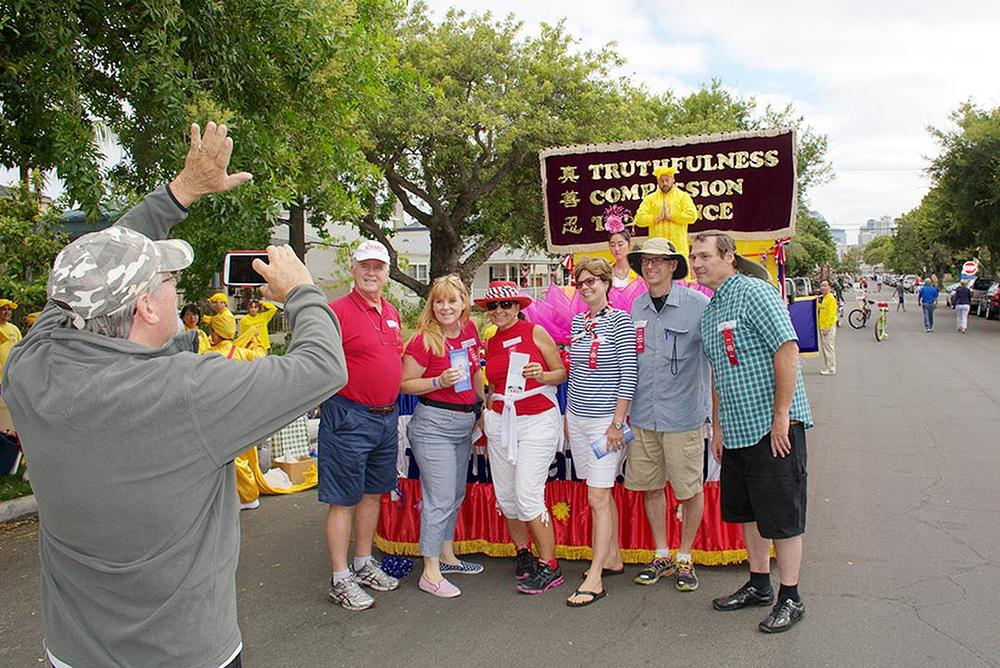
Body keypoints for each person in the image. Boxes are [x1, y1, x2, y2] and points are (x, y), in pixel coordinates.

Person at [1, 121, 348, 667]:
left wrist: (181, 190)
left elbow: (90, 271)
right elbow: (323, 367)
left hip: (73, 652)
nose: (177, 286)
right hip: (185, 654)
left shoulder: (32, 364)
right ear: (144, 308)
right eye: (166, 279)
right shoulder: (185, 391)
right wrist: (302, 290)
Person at [690, 231, 813, 634]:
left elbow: (787, 348)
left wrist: (782, 415)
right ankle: (759, 584)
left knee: (782, 515)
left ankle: (790, 596)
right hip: (738, 431)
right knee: (750, 513)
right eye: (694, 256)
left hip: (773, 428)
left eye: (705, 255)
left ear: (729, 257)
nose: (697, 263)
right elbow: (718, 374)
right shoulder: (711, 311)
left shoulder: (756, 292)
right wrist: (719, 426)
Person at [320, 239, 404, 611]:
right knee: (343, 500)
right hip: (349, 416)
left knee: (373, 494)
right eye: (365, 266)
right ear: (353, 270)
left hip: (386, 417)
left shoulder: (392, 311)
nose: (372, 273)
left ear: (387, 273)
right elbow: (317, 361)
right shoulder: (335, 312)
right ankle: (340, 578)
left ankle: (363, 563)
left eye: (378, 267)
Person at [625, 238, 710, 592]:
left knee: (689, 489)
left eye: (660, 261)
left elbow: (718, 360)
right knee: (651, 487)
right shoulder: (636, 306)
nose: (651, 267)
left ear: (674, 265)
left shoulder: (699, 305)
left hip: (684, 417)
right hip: (644, 416)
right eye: (646, 261)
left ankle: (685, 556)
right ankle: (661, 552)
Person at [476, 281, 567, 594]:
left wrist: (541, 375)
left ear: (518, 307)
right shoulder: (491, 341)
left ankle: (550, 565)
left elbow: (560, 372)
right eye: (493, 307)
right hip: (501, 421)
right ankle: (523, 554)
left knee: (528, 494)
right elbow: (493, 385)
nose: (499, 311)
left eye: (507, 305)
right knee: (507, 496)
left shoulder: (535, 332)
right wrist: (487, 416)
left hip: (536, 420)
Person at [399, 275, 485, 598]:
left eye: (452, 300)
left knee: (456, 494)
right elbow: (404, 384)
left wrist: (483, 406)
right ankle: (430, 572)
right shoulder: (424, 340)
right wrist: (438, 381)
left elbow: (476, 371)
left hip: (465, 424)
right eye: (439, 301)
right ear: (431, 305)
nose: (445, 307)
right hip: (433, 425)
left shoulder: (470, 332)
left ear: (464, 302)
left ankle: (447, 556)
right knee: (440, 499)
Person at [564, 258, 637, 607]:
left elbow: (628, 376)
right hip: (577, 418)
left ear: (607, 284)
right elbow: (576, 371)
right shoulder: (578, 322)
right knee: (601, 495)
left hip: (604, 423)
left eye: (594, 281)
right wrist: (568, 416)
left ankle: (595, 577)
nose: (587, 287)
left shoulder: (622, 322)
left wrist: (617, 423)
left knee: (596, 497)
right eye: (581, 282)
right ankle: (613, 557)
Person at [634, 165, 698, 266]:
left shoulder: (683, 196)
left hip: (678, 249)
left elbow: (692, 216)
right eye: (661, 180)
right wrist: (657, 218)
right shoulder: (650, 199)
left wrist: (671, 216)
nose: (664, 183)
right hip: (656, 251)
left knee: (680, 279)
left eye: (667, 180)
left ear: (673, 179)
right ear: (657, 182)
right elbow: (638, 219)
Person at [0, 298, 22, 434]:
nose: (7, 312)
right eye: (3, 309)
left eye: (9, 309)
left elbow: (21, 349)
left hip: (11, 378)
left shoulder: (14, 329)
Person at [604, 204, 638, 288]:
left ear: (629, 245)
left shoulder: (638, 270)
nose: (616, 249)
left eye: (620, 244)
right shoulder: (606, 271)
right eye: (612, 245)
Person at [817, 280, 837, 376]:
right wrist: (817, 304)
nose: (823, 288)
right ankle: (828, 367)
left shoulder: (831, 299)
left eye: (825, 286)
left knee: (829, 348)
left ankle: (831, 368)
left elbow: (832, 315)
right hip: (823, 326)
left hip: (827, 328)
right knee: (826, 348)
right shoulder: (825, 298)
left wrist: (827, 328)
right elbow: (823, 308)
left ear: (829, 287)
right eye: (821, 286)